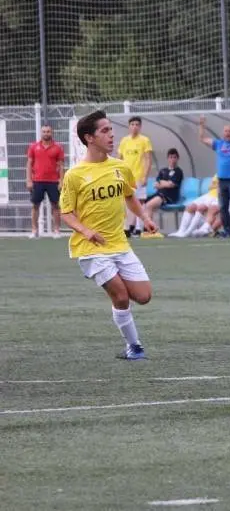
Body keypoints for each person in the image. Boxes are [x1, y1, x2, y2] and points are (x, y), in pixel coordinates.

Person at [59, 110, 157, 360]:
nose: (112, 135)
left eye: (111, 129)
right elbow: (66, 212)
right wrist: (86, 230)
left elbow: (129, 196)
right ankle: (134, 347)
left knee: (144, 296)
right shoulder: (74, 175)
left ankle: (128, 331)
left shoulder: (120, 167)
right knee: (121, 296)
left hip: (119, 245)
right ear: (89, 138)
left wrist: (145, 218)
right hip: (90, 249)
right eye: (105, 130)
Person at [169, 153, 230, 238]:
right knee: (190, 207)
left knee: (214, 209)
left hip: (229, 197)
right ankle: (182, 231)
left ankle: (202, 229)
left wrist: (224, 182)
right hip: (212, 194)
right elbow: (211, 186)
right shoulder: (229, 171)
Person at [26, 124, 65, 238]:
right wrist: (29, 180)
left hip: (53, 181)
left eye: (48, 131)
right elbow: (29, 164)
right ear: (41, 133)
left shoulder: (58, 147)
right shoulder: (33, 146)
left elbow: (61, 165)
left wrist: (61, 181)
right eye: (44, 131)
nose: (46, 133)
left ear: (51, 133)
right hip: (37, 181)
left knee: (56, 206)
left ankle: (56, 231)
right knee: (35, 205)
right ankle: (34, 231)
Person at [117, 116, 153, 237]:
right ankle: (127, 228)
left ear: (140, 126)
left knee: (140, 202)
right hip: (126, 177)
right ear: (129, 126)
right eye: (132, 124)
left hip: (139, 177)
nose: (134, 127)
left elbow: (148, 159)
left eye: (137, 124)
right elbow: (119, 158)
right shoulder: (124, 141)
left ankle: (139, 228)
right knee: (126, 202)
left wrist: (145, 176)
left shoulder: (144, 140)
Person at [143, 148, 184, 221]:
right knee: (141, 203)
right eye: (171, 157)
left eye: (174, 157)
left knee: (149, 205)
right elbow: (156, 185)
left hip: (169, 197)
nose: (172, 159)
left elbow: (171, 185)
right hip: (158, 194)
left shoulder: (178, 171)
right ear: (168, 158)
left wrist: (162, 183)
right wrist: (166, 183)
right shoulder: (163, 171)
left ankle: (149, 228)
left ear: (177, 158)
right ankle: (139, 226)